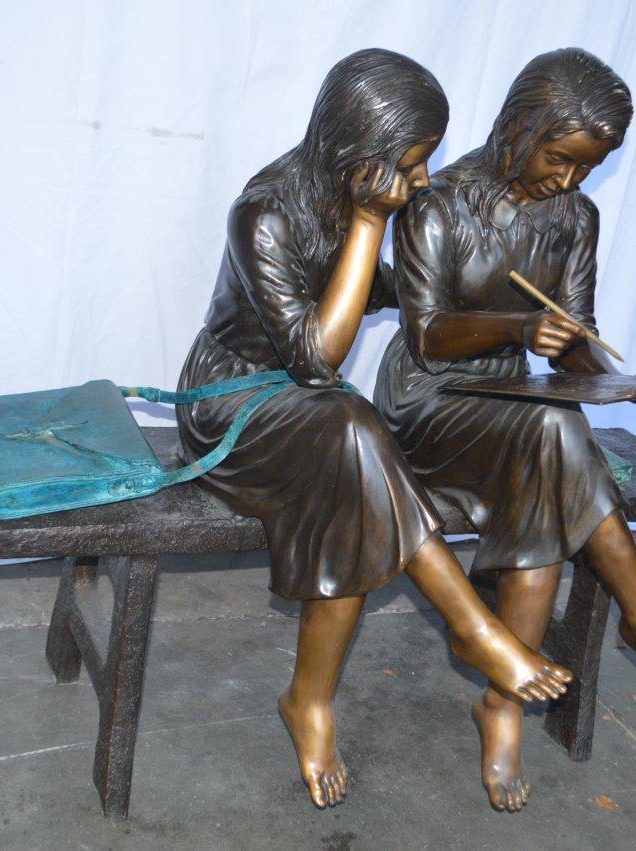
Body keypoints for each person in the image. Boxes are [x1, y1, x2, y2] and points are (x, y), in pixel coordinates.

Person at [176, 48, 573, 810]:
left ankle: (310, 700)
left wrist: (468, 302)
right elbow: (318, 360)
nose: (422, 179)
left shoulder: (344, 201)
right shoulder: (263, 211)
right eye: (413, 162)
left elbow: (385, 294)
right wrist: (369, 221)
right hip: (229, 401)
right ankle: (473, 628)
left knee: (355, 473)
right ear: (362, 149)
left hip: (308, 415)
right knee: (354, 423)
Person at [374, 48, 636, 813]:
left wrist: (614, 374)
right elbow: (428, 333)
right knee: (554, 436)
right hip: (428, 399)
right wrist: (518, 325)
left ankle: (506, 698)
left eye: (586, 169)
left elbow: (573, 338)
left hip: (516, 408)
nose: (568, 181)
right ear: (520, 128)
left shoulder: (574, 217)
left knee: (553, 436)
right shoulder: (438, 204)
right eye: (559, 159)